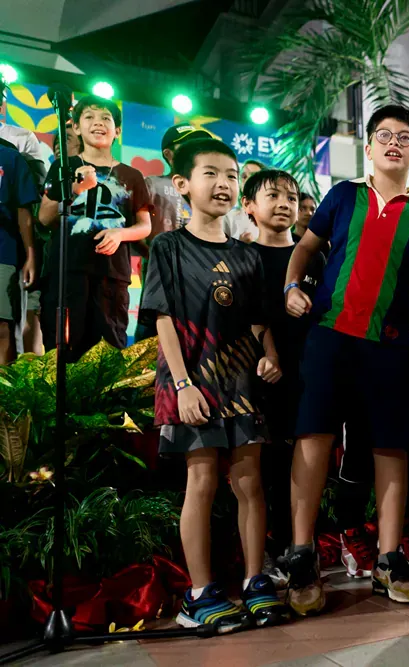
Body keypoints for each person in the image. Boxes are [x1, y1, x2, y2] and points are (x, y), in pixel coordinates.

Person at [282, 104, 409, 612]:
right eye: (385, 135)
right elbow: (304, 249)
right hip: (329, 336)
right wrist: (290, 288)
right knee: (314, 439)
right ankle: (303, 555)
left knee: (392, 449)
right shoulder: (343, 195)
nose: (395, 143)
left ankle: (389, 559)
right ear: (369, 147)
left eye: (406, 137)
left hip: (394, 347)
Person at [139, 138, 289, 632]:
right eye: (211, 174)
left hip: (240, 380)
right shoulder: (167, 247)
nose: (223, 183)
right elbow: (163, 319)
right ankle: (200, 592)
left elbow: (258, 321)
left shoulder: (246, 256)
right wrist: (182, 385)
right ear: (182, 184)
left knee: (249, 481)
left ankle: (254, 582)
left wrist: (268, 357)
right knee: (201, 481)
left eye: (230, 175)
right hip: (191, 380)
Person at [247, 168, 324, 586]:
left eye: (291, 197)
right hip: (260, 376)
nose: (284, 203)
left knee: (307, 461)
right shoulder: (241, 257)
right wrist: (265, 354)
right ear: (250, 207)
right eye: (272, 196)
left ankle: (302, 546)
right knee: (267, 465)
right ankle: (267, 550)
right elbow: (241, 320)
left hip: (309, 374)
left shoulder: (315, 257)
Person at [37, 95, 151, 362]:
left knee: (108, 356)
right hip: (66, 272)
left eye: (106, 118)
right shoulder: (63, 166)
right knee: (62, 353)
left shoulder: (132, 175)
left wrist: (120, 233)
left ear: (118, 131)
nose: (98, 123)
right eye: (89, 117)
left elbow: (144, 225)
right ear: (76, 127)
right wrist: (76, 189)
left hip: (111, 276)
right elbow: (44, 217)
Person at [134, 124, 213, 341]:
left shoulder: (206, 190)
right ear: (169, 154)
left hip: (198, 276)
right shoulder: (154, 184)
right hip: (160, 275)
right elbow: (138, 232)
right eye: (188, 146)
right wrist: (154, 256)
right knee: (151, 333)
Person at [0, 144, 39, 364]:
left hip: (2, 253)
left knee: (2, 327)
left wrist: (30, 254)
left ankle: (4, 396)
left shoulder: (11, 158)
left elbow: (23, 211)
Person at [222, 159, 266, 242]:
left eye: (254, 176)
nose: (248, 180)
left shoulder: (275, 217)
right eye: (244, 176)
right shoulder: (229, 218)